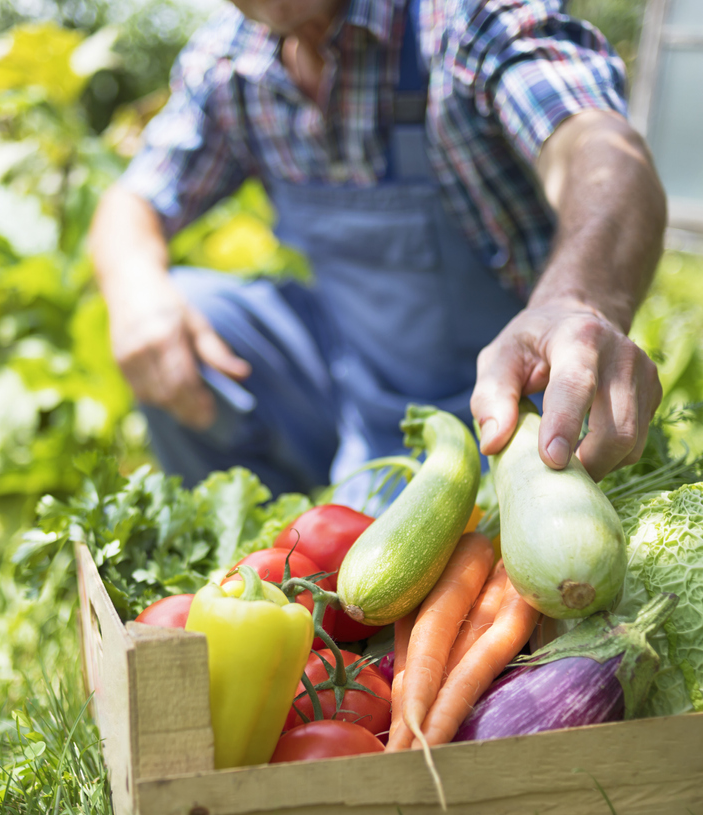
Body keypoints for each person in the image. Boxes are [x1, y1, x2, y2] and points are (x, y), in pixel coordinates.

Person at [89, 0, 666, 500]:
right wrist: (137, 290)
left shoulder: (467, 23)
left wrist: (576, 301)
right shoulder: (228, 63)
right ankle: (254, 558)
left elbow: (601, 149)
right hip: (351, 383)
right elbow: (134, 201)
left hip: (515, 407)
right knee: (184, 308)